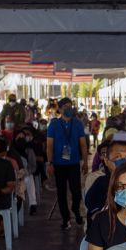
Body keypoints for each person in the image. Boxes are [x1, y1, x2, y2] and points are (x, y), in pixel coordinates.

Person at [47, 97, 89, 230]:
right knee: (61, 192)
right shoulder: (53, 125)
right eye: (65, 106)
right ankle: (66, 219)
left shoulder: (77, 123)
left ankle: (75, 209)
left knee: (76, 191)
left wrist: (85, 162)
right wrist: (50, 163)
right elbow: (49, 146)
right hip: (58, 164)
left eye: (70, 106)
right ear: (59, 109)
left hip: (74, 163)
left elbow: (83, 144)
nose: (68, 108)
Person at [84, 141, 126, 219]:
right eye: (118, 157)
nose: (124, 161)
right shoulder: (100, 184)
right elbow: (94, 215)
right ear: (106, 161)